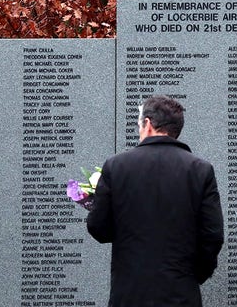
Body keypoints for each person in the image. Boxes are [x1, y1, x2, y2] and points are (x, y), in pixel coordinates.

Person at [87, 95, 224, 307]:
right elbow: (213, 235)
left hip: (129, 294)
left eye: (139, 125)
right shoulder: (200, 170)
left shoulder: (116, 166)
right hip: (180, 294)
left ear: (148, 124)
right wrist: (193, 275)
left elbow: (99, 229)